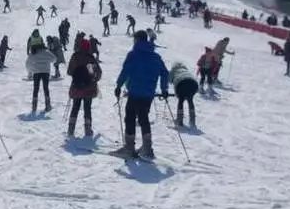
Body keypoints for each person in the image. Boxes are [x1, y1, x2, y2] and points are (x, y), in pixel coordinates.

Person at [113, 31, 170, 159]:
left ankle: (129, 148)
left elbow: (125, 71)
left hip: (135, 92)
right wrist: (164, 88)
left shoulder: (133, 55)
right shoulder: (156, 57)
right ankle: (147, 148)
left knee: (130, 118)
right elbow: (165, 73)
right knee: (144, 118)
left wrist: (118, 85)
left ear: (137, 40)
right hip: (148, 94)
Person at [66, 38, 101, 137]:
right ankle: (88, 129)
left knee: (75, 107)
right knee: (87, 108)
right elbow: (98, 73)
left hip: (76, 87)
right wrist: (93, 79)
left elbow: (69, 71)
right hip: (89, 88)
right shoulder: (91, 58)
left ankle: (71, 129)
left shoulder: (75, 56)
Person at [26, 42, 57, 113]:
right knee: (46, 88)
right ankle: (48, 105)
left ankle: (34, 107)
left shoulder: (33, 53)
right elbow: (54, 59)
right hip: (46, 72)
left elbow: (28, 63)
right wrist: (47, 61)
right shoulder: (46, 52)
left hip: (36, 72)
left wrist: (30, 71)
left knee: (35, 89)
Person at [171, 61, 199, 129]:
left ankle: (179, 120)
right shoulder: (185, 70)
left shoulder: (173, 71)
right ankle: (192, 120)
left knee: (181, 100)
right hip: (193, 84)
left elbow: (169, 80)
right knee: (190, 100)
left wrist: (178, 94)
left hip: (181, 83)